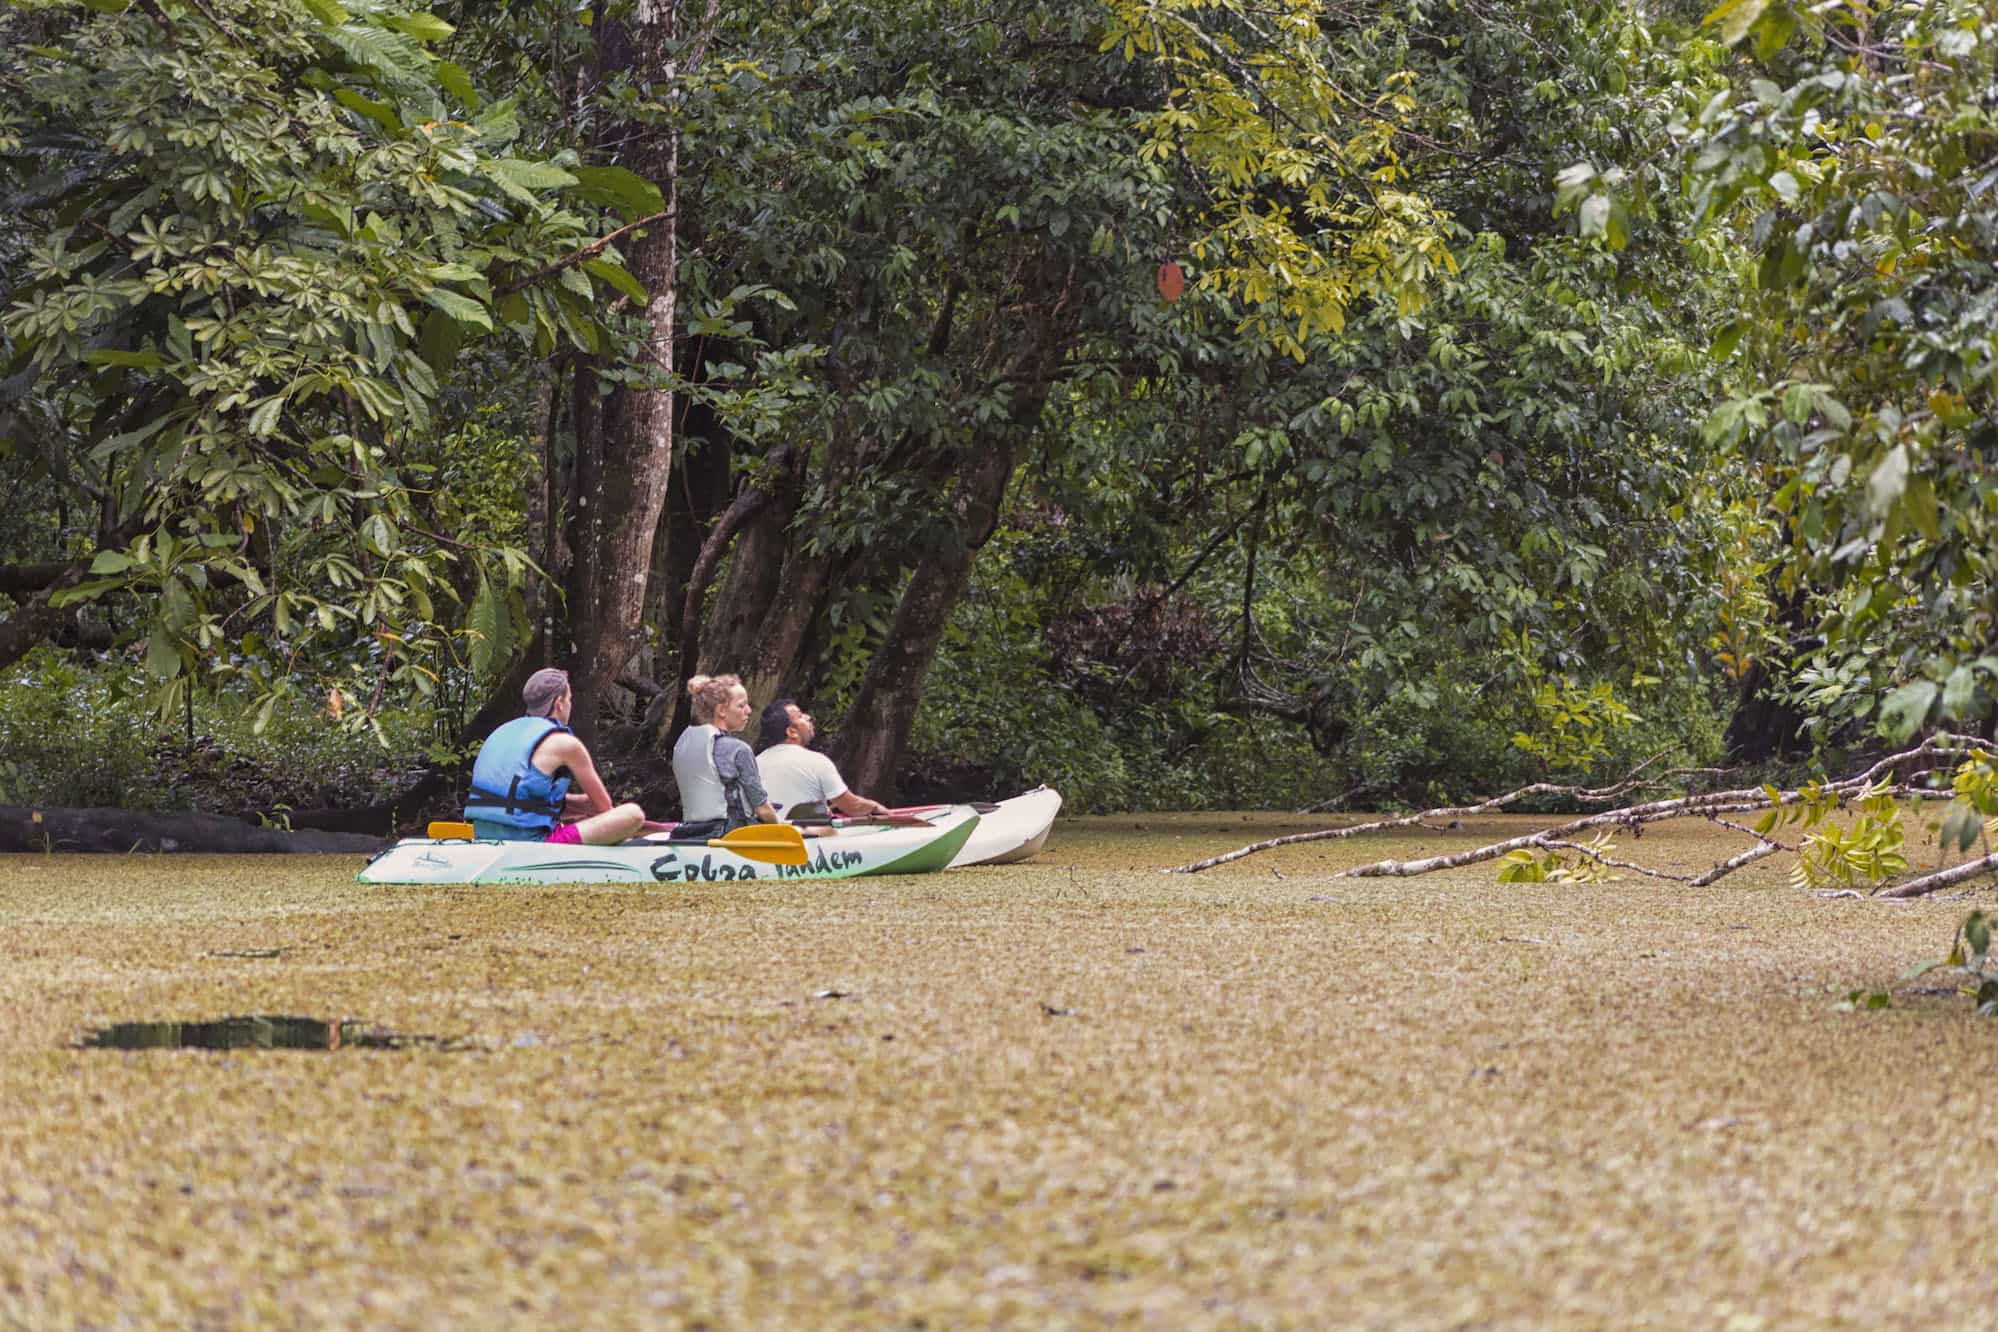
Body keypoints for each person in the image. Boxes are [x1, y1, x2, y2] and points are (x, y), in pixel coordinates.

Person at [464, 668, 648, 844]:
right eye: (569, 699)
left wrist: (579, 804)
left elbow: (516, 797)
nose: (570, 705)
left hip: (483, 835)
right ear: (559, 703)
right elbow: (605, 809)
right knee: (633, 814)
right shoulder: (566, 744)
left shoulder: (502, 731)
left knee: (583, 813)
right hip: (529, 843)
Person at [672, 673, 780, 836]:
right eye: (741, 705)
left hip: (691, 832)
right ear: (722, 710)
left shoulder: (682, 745)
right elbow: (762, 809)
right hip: (730, 834)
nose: (749, 711)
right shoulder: (738, 750)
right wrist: (782, 827)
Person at [755, 698, 890, 821]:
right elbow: (853, 807)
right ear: (791, 732)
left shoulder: (754, 763)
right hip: (806, 841)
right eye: (801, 716)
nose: (808, 717)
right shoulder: (816, 761)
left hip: (764, 840)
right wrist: (875, 807)